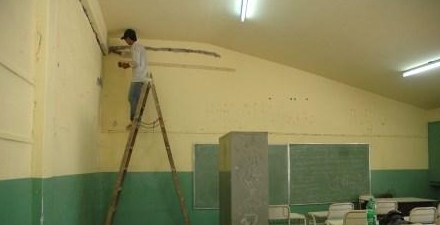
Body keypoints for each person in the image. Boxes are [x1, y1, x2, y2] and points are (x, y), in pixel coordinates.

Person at [118, 28, 148, 130]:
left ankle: (135, 121)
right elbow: (135, 59)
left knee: (132, 98)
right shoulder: (140, 47)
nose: (126, 42)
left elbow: (135, 62)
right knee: (135, 99)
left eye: (125, 39)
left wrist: (125, 64)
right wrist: (120, 54)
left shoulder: (135, 47)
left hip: (138, 78)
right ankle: (136, 120)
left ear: (129, 38)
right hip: (142, 77)